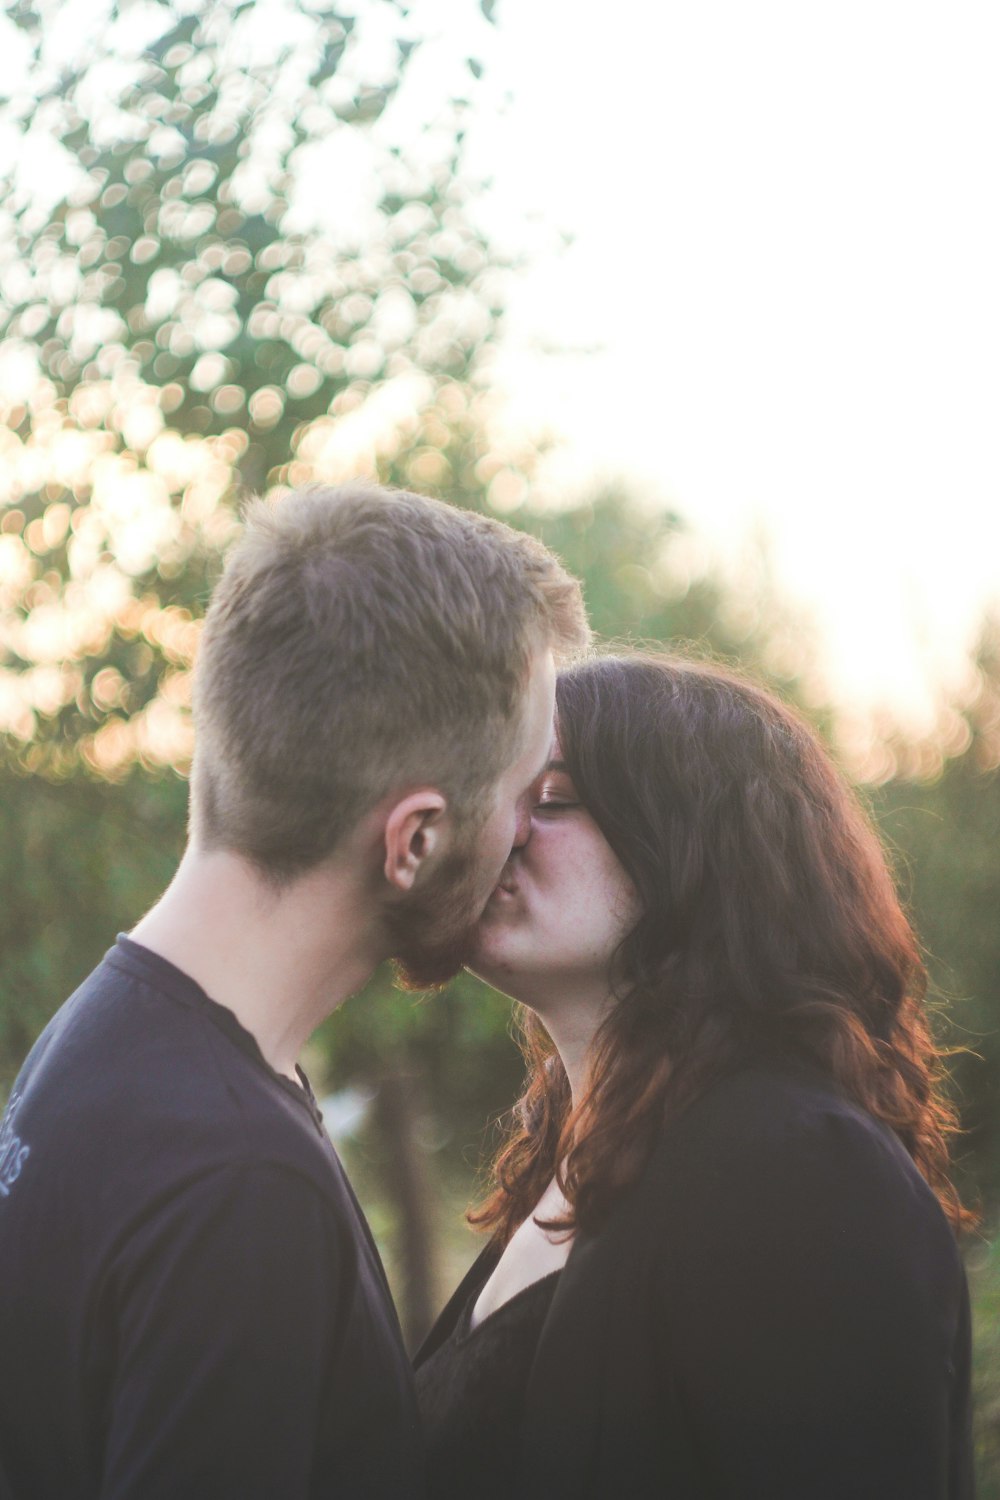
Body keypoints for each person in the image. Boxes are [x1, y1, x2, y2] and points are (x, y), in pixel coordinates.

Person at [0, 482, 588, 1500]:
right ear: (414, 839)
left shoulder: (107, 1040)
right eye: (527, 795)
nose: (528, 837)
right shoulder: (237, 1184)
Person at [415, 651, 975, 1500]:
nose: (498, 832)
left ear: (697, 849)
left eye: (551, 800)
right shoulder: (573, 1166)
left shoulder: (798, 1169)